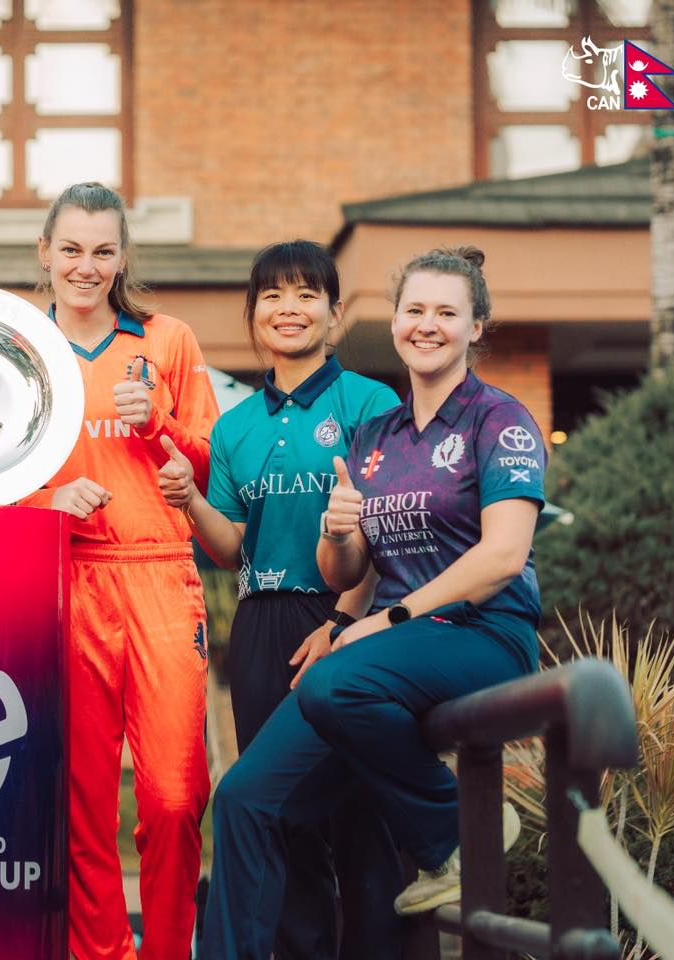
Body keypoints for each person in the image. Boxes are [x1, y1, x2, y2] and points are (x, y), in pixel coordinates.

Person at [199, 246, 541, 958]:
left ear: (476, 326)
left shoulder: (499, 420)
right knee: (242, 800)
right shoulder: (375, 436)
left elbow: (503, 558)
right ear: (392, 322)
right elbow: (352, 568)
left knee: (336, 688)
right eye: (414, 310)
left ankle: (455, 831)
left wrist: (384, 619)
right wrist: (338, 551)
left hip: (480, 634)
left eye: (446, 312)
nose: (427, 325)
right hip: (388, 647)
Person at [157, 240, 401, 958]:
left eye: (306, 294)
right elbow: (232, 547)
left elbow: (386, 535)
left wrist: (342, 622)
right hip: (263, 625)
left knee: (360, 814)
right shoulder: (235, 426)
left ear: (333, 313)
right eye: (272, 295)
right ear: (253, 314)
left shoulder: (371, 403)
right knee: (280, 815)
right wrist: (190, 499)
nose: (288, 308)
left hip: (347, 621)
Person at [21, 182, 220, 960]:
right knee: (81, 805)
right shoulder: (17, 348)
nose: (86, 266)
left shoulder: (168, 340)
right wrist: (48, 499)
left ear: (123, 256)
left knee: (174, 795)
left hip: (160, 573)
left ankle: (169, 950)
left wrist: (158, 424)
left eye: (103, 251)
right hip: (64, 579)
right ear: (45, 252)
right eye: (71, 249)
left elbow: (214, 467)